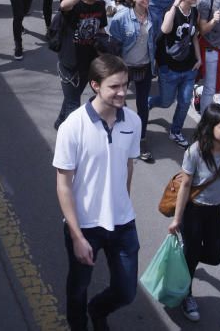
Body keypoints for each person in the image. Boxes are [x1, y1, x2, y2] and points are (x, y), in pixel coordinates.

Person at [53, 54, 141, 331]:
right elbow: (63, 184)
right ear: (95, 85)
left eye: (125, 85)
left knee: (127, 291)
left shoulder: (133, 122)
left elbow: (128, 166)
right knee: (79, 287)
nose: (122, 92)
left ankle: (98, 309)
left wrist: (122, 201)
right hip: (85, 226)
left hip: (123, 223)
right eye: (114, 86)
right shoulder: (73, 126)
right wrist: (77, 235)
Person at [168, 104, 220, 323]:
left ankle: (185, 256)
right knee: (192, 257)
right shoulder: (195, 151)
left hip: (214, 210)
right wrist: (177, 219)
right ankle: (186, 295)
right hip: (193, 210)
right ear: (210, 128)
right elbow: (185, 186)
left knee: (214, 255)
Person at [149, 0, 202, 148]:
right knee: (166, 102)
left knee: (185, 101)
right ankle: (149, 103)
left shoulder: (194, 12)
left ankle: (176, 131)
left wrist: (199, 58)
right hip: (170, 68)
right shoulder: (172, 12)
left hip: (189, 68)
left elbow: (194, 36)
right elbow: (165, 30)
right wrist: (173, 5)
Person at [110, 0, 156, 161]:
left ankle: (141, 138)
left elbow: (155, 41)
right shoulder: (121, 18)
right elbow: (113, 44)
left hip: (144, 66)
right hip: (125, 68)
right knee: (120, 103)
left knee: (143, 105)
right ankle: (122, 134)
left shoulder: (153, 16)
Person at [53, 0, 107, 130]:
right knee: (74, 106)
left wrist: (105, 50)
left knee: (73, 96)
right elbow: (63, 5)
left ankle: (60, 123)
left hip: (88, 62)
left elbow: (101, 29)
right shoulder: (74, 6)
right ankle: (72, 141)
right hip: (69, 63)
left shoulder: (100, 5)